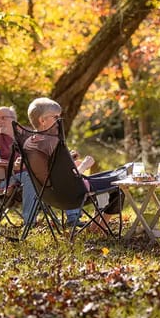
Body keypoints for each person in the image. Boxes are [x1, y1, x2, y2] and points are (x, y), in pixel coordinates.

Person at [21, 97, 124, 230]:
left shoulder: (30, 143)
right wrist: (85, 165)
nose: (59, 121)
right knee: (120, 183)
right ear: (42, 120)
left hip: (50, 196)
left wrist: (68, 159)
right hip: (71, 194)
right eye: (56, 117)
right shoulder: (54, 142)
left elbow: (52, 171)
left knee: (116, 174)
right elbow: (68, 179)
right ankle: (96, 229)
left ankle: (95, 227)